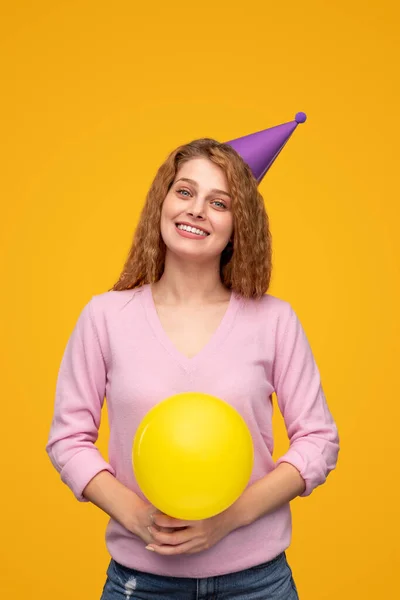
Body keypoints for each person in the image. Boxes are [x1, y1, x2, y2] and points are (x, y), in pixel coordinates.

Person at [46, 137, 340, 599]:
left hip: (257, 583)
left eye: (218, 202)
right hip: (141, 583)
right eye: (185, 192)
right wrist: (133, 513)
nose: (197, 210)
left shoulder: (274, 320)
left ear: (239, 224)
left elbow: (319, 441)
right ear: (161, 202)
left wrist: (228, 519)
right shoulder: (104, 317)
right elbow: (68, 439)